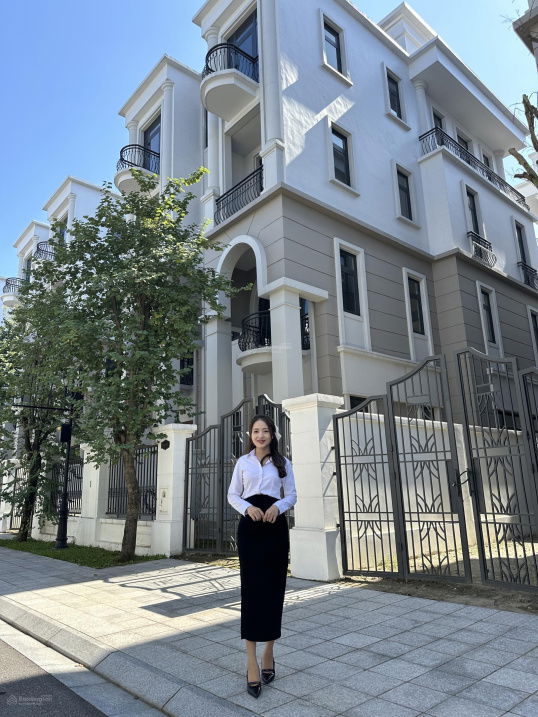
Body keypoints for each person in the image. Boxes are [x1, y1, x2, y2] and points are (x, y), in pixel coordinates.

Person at [227, 414, 297, 698]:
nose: (260, 435)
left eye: (265, 430)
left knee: (273, 591)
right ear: (250, 435)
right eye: (255, 431)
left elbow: (292, 495)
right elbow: (232, 495)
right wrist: (247, 508)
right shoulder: (242, 463)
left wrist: (278, 507)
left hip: (275, 530)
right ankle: (251, 661)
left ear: (272, 434)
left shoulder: (283, 463)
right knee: (252, 592)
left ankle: (269, 651)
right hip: (250, 531)